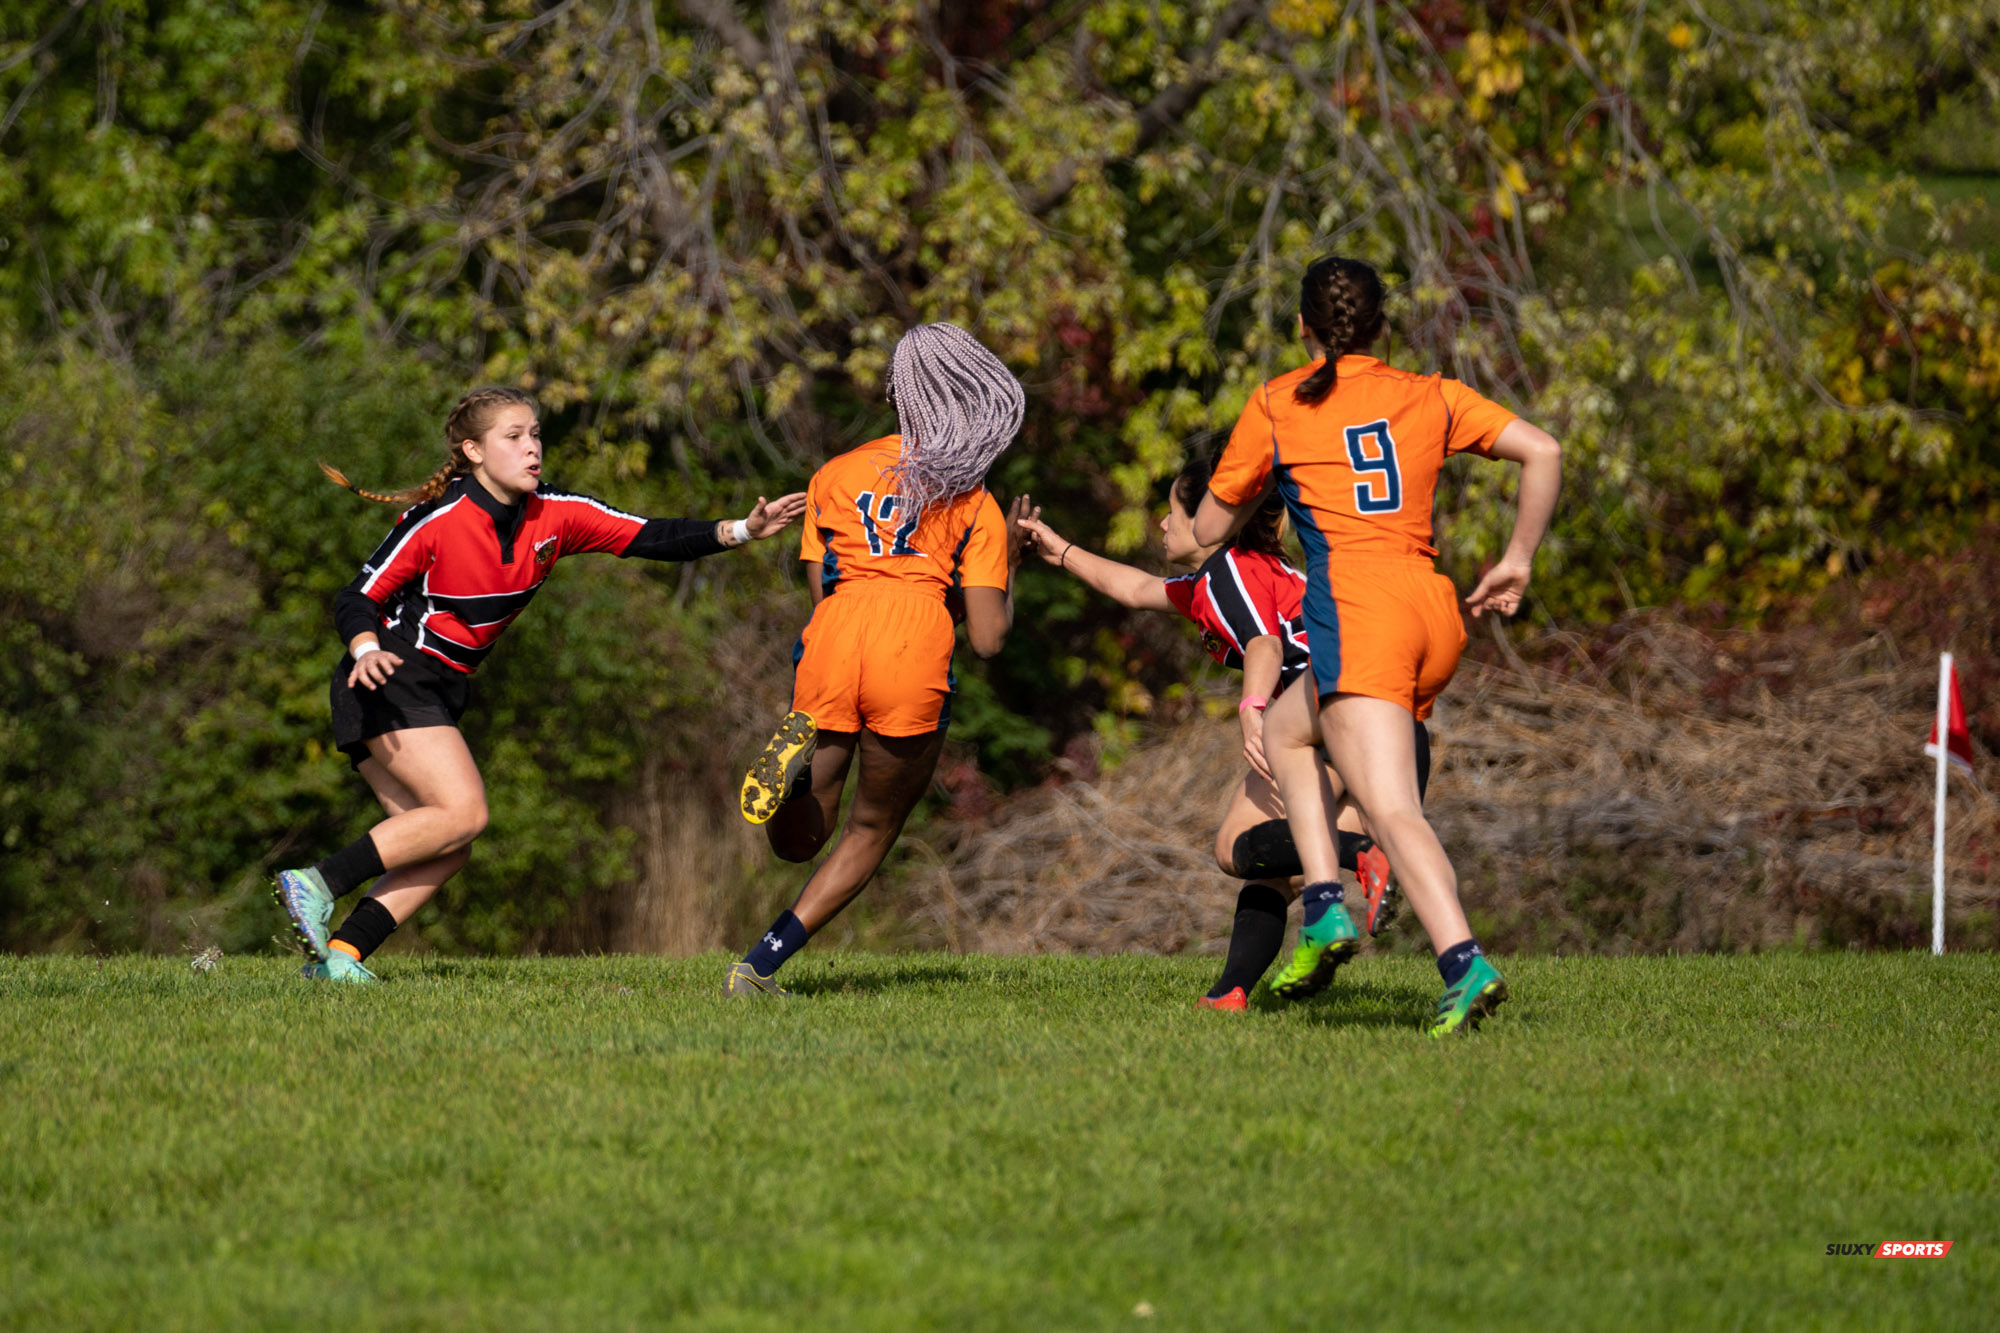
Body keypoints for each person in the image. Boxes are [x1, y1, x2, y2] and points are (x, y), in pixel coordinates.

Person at [273, 385, 806, 983]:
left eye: (536, 435)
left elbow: (652, 535)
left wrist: (742, 530)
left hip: (437, 688)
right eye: (514, 437)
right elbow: (357, 597)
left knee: (447, 842)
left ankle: (339, 962)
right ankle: (314, 883)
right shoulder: (437, 521)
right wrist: (365, 647)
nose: (533, 450)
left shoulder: (557, 514)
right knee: (464, 813)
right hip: (390, 673)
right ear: (473, 451)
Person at [1194, 256, 1562, 1036]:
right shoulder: (1430, 394)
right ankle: (1324, 905)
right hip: (1429, 607)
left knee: (1392, 810)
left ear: (1303, 327)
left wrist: (1259, 483)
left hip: (1358, 609)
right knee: (1291, 729)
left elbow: (1205, 531)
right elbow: (1545, 451)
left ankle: (1465, 963)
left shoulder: (1279, 401)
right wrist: (1518, 556)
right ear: (1382, 328)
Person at [1017, 455, 1430, 1011]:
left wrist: (1253, 710)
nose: (1162, 525)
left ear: (1209, 519)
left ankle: (1362, 855)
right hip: (1393, 715)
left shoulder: (1225, 574)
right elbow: (1137, 587)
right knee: (1284, 869)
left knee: (1237, 847)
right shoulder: (1256, 569)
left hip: (1331, 713)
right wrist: (1060, 550)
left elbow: (1264, 642)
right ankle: (1230, 992)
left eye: (1172, 512)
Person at [727, 323, 1032, 997]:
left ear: (895, 392)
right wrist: (1006, 561)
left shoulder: (833, 474)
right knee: (871, 827)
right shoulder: (972, 497)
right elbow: (987, 637)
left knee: (802, 836)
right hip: (913, 646)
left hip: (835, 636)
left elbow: (821, 587)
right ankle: (760, 964)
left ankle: (792, 784)